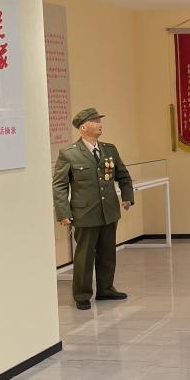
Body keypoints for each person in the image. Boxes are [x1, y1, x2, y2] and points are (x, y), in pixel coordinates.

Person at [53, 108, 134, 311]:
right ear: (83, 127)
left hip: (109, 211)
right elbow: (60, 185)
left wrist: (127, 197)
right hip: (85, 214)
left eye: (99, 120)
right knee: (84, 256)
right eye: (95, 121)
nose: (100, 124)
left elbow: (123, 175)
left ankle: (106, 289)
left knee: (108, 253)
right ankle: (82, 295)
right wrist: (63, 213)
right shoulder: (69, 153)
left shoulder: (109, 150)